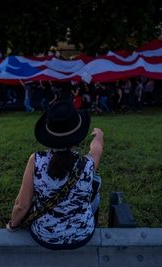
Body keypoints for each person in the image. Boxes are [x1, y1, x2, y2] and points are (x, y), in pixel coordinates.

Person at [6, 101, 104, 250]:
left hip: (44, 236)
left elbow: (22, 205)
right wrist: (99, 135)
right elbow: (97, 149)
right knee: (96, 194)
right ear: (78, 135)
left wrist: (12, 226)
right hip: (83, 235)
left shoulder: (36, 160)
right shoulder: (88, 164)